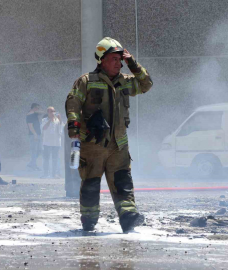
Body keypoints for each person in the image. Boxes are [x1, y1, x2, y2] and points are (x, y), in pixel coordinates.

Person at [65, 37, 153, 232]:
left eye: (120, 59)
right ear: (102, 60)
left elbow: (146, 84)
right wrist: (74, 127)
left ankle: (128, 217)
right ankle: (88, 221)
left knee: (123, 182)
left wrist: (133, 63)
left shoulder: (125, 82)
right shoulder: (87, 81)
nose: (118, 63)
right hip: (92, 145)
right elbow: (73, 102)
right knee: (91, 185)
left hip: (118, 146)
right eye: (114, 58)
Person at [40, 106, 64, 178]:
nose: (52, 113)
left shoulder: (57, 120)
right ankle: (46, 174)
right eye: (51, 111)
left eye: (53, 111)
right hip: (47, 142)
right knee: (46, 159)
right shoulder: (44, 120)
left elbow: (61, 130)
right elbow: (43, 128)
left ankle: (54, 174)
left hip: (56, 143)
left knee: (55, 159)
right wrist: (50, 120)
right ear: (48, 112)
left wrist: (60, 120)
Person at [26, 103, 42, 170]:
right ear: (34, 108)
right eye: (37, 108)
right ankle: (33, 165)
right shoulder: (30, 115)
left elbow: (42, 112)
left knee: (39, 150)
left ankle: (31, 163)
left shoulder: (35, 114)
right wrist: (35, 134)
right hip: (33, 135)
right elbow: (30, 126)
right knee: (34, 151)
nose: (38, 109)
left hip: (37, 134)